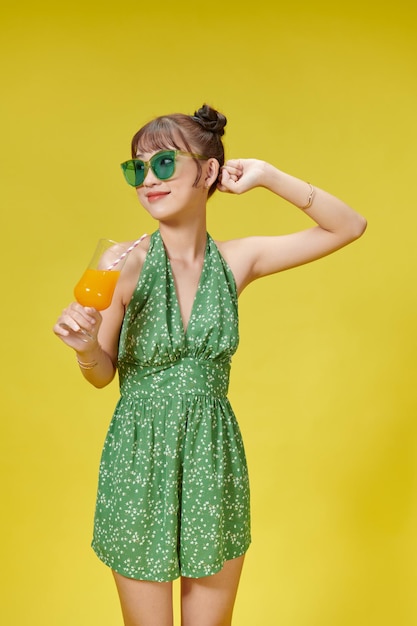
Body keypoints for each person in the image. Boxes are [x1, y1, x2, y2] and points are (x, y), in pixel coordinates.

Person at [53, 103, 367, 626]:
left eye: (165, 163)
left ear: (210, 172)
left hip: (211, 460)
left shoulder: (236, 262)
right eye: (137, 167)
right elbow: (102, 373)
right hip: (139, 460)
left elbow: (348, 226)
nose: (148, 179)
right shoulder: (121, 264)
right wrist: (86, 349)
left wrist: (267, 176)